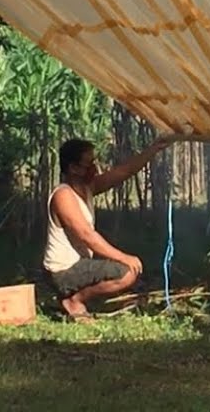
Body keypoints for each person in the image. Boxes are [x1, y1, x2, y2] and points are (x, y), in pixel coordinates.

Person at [43, 136, 171, 320]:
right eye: (89, 164)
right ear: (73, 168)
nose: (94, 168)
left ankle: (72, 297)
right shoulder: (63, 196)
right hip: (63, 270)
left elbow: (124, 171)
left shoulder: (87, 187)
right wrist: (124, 257)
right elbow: (87, 236)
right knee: (127, 273)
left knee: (124, 269)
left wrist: (154, 149)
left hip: (78, 266)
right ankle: (73, 300)